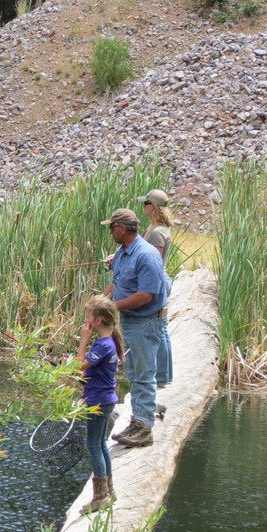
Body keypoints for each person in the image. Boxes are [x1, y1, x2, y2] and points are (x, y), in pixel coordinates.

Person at [100, 208, 168, 448]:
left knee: (143, 375)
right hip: (130, 321)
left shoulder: (147, 255)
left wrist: (112, 308)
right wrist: (101, 300)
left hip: (145, 322)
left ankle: (144, 428)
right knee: (135, 374)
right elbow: (117, 281)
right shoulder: (123, 251)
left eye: (112, 228)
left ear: (122, 229)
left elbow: (145, 296)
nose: (110, 232)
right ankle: (138, 419)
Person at [76, 294, 123, 514]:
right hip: (106, 399)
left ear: (97, 321)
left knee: (93, 446)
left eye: (88, 316)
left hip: (98, 402)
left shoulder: (102, 345)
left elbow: (79, 366)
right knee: (102, 444)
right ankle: (109, 491)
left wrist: (83, 339)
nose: (85, 320)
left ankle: (100, 497)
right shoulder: (109, 341)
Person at [138, 189, 174, 391]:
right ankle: (164, 377)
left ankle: (161, 378)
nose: (143, 206)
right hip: (161, 280)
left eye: (145, 203)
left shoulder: (158, 232)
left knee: (158, 329)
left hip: (158, 281)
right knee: (162, 328)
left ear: (152, 206)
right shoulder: (156, 228)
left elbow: (153, 261)